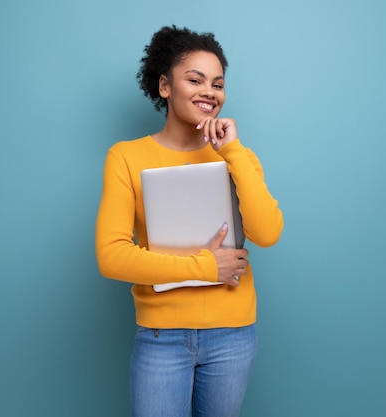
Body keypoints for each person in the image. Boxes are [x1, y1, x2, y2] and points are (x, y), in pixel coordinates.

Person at [95, 25, 284, 417]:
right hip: (161, 337)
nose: (209, 92)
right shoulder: (126, 157)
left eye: (217, 83)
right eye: (195, 80)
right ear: (165, 86)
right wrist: (206, 267)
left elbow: (267, 234)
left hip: (233, 336)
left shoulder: (239, 157)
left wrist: (231, 152)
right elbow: (111, 257)